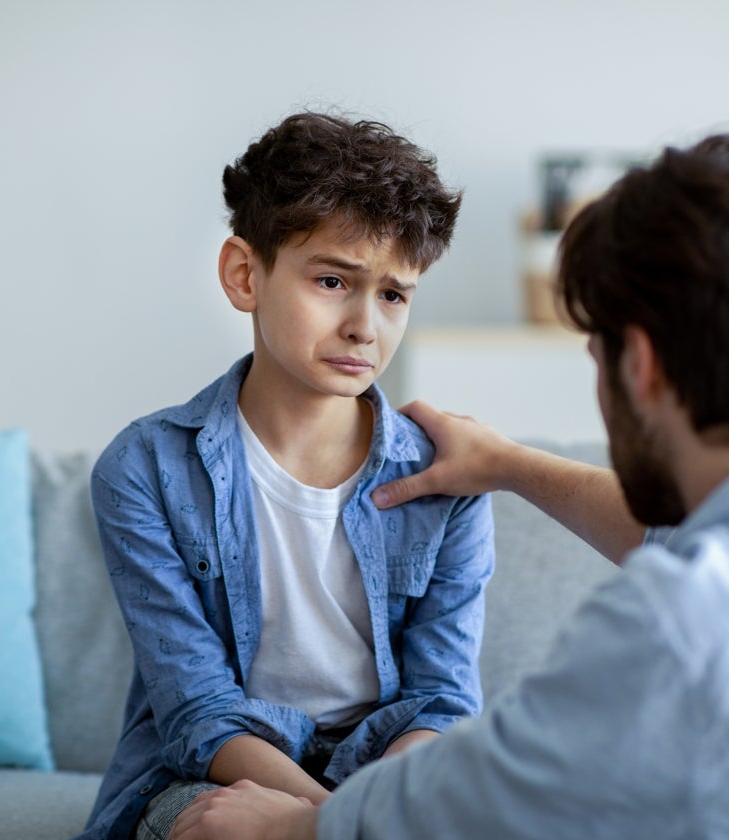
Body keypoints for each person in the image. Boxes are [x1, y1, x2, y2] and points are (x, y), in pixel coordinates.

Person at [168, 134, 729, 839]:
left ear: (637, 368)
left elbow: (468, 798)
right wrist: (508, 463)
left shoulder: (669, 628)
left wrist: (304, 829)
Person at [76, 111, 495, 840]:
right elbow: (196, 712)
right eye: (334, 280)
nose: (366, 326)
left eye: (394, 294)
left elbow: (441, 703)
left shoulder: (447, 476)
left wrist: (340, 822)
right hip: (223, 769)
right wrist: (332, 824)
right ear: (246, 275)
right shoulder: (144, 469)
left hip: (392, 771)